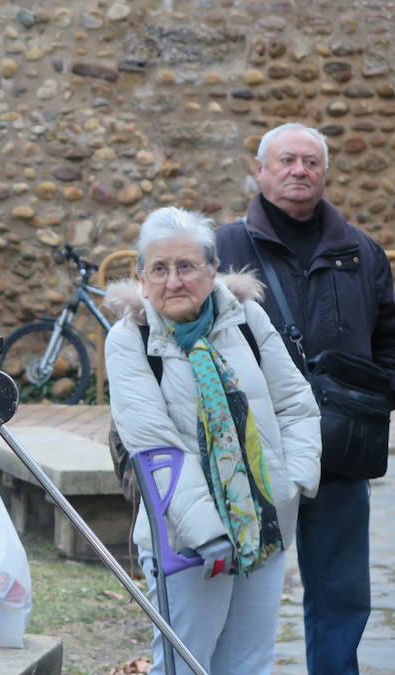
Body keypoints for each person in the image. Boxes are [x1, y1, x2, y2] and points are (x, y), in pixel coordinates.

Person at [104, 206, 321, 674]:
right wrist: (208, 533)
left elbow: (296, 405)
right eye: (159, 269)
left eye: (186, 266)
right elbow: (154, 447)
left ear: (212, 271)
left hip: (263, 524)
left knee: (248, 664)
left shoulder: (246, 320)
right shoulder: (130, 341)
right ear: (141, 278)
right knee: (186, 663)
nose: (174, 281)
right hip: (185, 539)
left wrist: (290, 487)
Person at [214, 122, 395, 675]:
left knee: (341, 594)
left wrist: (373, 399)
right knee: (239, 592)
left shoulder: (360, 252)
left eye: (311, 162)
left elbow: (389, 337)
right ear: (261, 170)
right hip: (251, 451)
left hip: (338, 450)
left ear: (324, 173)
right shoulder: (220, 249)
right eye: (287, 161)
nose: (300, 171)